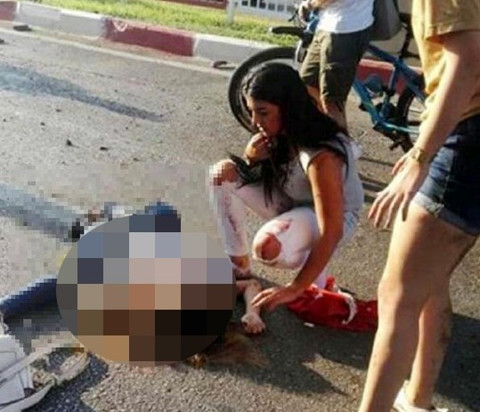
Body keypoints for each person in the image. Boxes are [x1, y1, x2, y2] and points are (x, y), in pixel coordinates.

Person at [358, 1, 480, 411]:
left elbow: (468, 60)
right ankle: (418, 399)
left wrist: (420, 157)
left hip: (468, 137)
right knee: (428, 280)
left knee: (399, 296)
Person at [208, 63, 364, 326]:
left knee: (268, 247)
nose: (255, 122)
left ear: (288, 108)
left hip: (333, 218)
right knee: (221, 174)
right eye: (251, 111)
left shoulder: (321, 155)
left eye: (263, 112)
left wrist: (295, 287)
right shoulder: (279, 131)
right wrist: (251, 158)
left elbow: (332, 229)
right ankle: (238, 268)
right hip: (293, 202)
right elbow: (264, 177)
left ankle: (317, 279)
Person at [298, 0, 374, 131]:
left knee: (332, 101)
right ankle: (326, 134)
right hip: (327, 25)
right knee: (307, 83)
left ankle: (342, 141)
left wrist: (310, 4)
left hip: (344, 30)